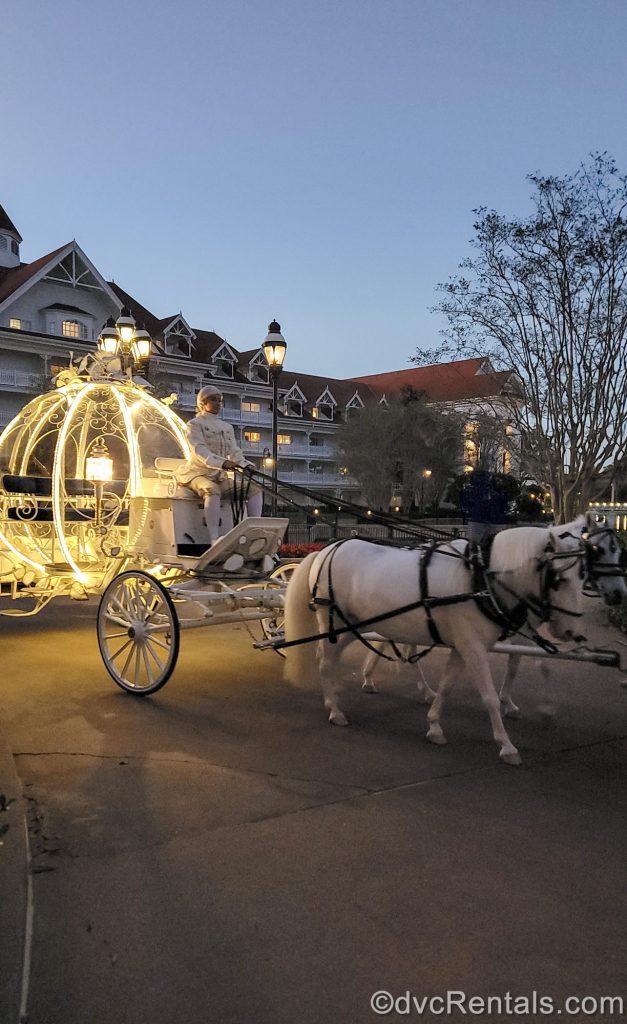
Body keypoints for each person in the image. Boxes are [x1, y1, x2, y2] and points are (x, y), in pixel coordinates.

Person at [176, 385, 264, 543]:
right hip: (197, 474)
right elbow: (199, 451)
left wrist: (245, 465)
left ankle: (253, 534)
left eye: (220, 400)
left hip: (220, 476)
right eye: (213, 400)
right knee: (212, 489)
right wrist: (223, 463)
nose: (218, 403)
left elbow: (235, 452)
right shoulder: (195, 424)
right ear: (203, 403)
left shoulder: (227, 427)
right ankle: (214, 538)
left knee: (254, 489)